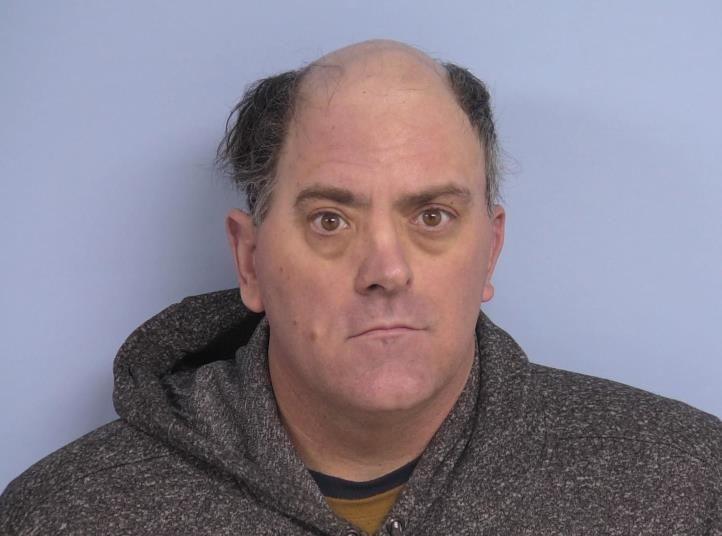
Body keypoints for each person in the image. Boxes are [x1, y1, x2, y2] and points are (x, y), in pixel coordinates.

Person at [1, 39, 719, 536]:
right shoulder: (62, 515)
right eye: (330, 220)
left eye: (432, 216)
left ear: (491, 252)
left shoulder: (688, 487)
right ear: (250, 261)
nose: (386, 269)